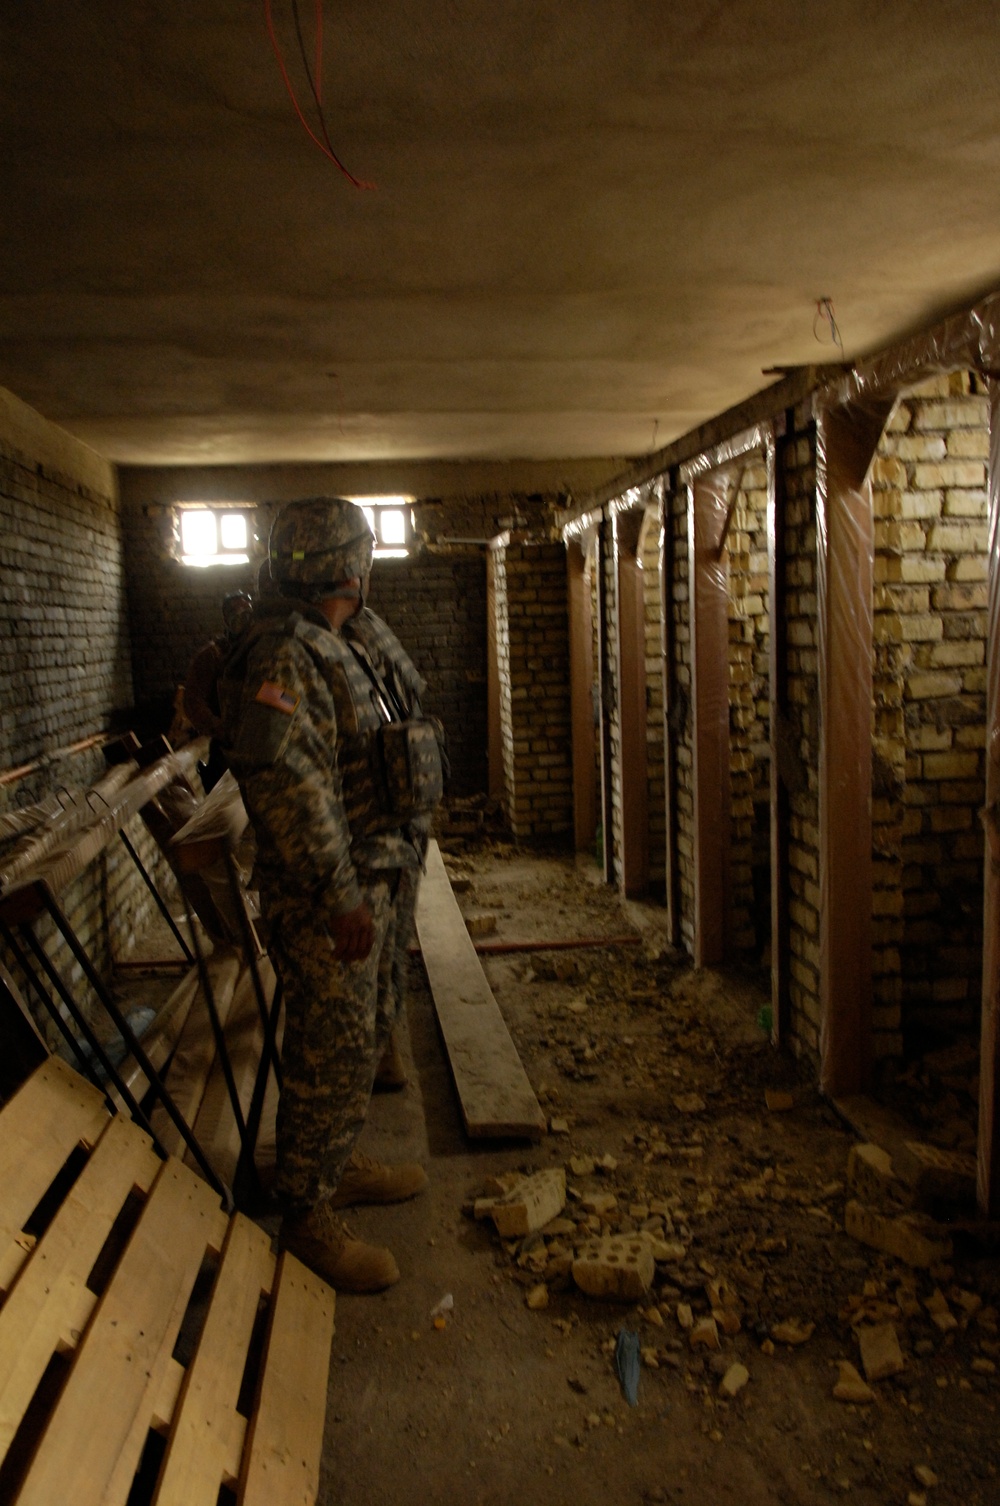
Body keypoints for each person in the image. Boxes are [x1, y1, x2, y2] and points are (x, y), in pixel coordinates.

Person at [223, 498, 442, 1292]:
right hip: (333, 895)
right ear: (350, 563)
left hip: (379, 873)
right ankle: (307, 1211)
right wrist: (341, 894)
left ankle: (336, 1164)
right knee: (328, 1045)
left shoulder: (339, 637)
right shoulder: (287, 652)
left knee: (366, 1028)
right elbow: (287, 781)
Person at [183, 590, 253, 789]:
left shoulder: (263, 651)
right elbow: (193, 703)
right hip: (226, 752)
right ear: (225, 618)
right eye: (235, 611)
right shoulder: (212, 657)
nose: (242, 617)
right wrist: (222, 729)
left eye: (246, 610)